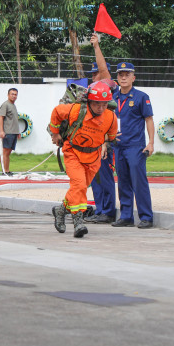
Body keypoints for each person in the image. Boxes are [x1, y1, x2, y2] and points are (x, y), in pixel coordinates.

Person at [49, 81, 118, 238]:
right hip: (73, 152)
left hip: (93, 158)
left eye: (104, 104)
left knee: (78, 189)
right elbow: (56, 112)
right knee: (79, 185)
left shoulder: (111, 117)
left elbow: (111, 135)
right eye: (97, 104)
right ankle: (78, 223)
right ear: (89, 101)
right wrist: (55, 133)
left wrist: (106, 142)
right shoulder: (76, 110)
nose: (101, 108)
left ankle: (60, 211)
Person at [111, 62, 155, 229]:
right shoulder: (113, 97)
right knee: (123, 181)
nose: (123, 77)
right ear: (117, 78)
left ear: (133, 78)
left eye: (127, 74)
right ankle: (126, 216)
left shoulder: (141, 97)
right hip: (118, 145)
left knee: (139, 182)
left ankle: (146, 217)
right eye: (121, 74)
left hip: (135, 146)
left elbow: (149, 120)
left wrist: (150, 143)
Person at [85, 34, 118, 223]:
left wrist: (96, 46)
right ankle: (100, 209)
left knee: (104, 177)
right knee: (94, 179)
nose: (94, 76)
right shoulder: (90, 90)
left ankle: (108, 211)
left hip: (105, 141)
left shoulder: (107, 85)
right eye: (92, 74)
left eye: (96, 73)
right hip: (91, 142)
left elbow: (103, 69)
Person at [0, 87, 19, 176]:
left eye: (15, 94)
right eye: (12, 94)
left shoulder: (13, 105)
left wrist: (18, 132)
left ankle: (7, 170)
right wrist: (1, 131)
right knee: (5, 151)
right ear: (8, 95)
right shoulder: (5, 105)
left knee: (8, 152)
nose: (14, 96)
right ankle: (4, 171)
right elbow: (1, 118)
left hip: (14, 132)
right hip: (7, 132)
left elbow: (14, 120)